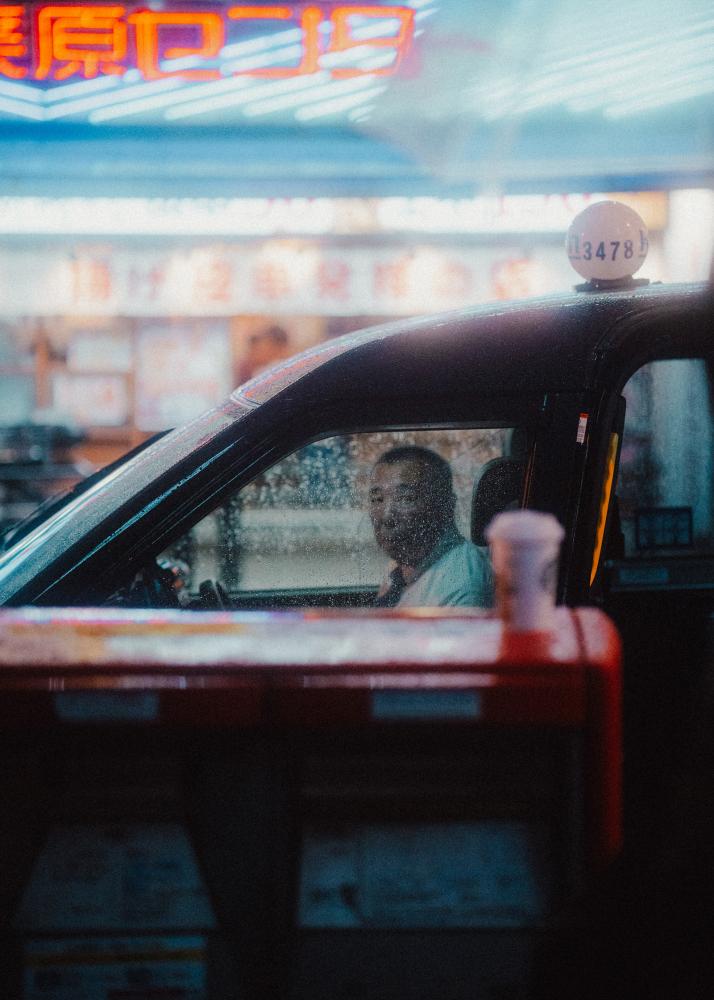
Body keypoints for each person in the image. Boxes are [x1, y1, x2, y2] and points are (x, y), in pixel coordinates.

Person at [368, 445, 493, 607]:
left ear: (445, 506)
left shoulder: (461, 590)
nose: (386, 516)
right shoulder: (402, 564)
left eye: (405, 499)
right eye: (377, 499)